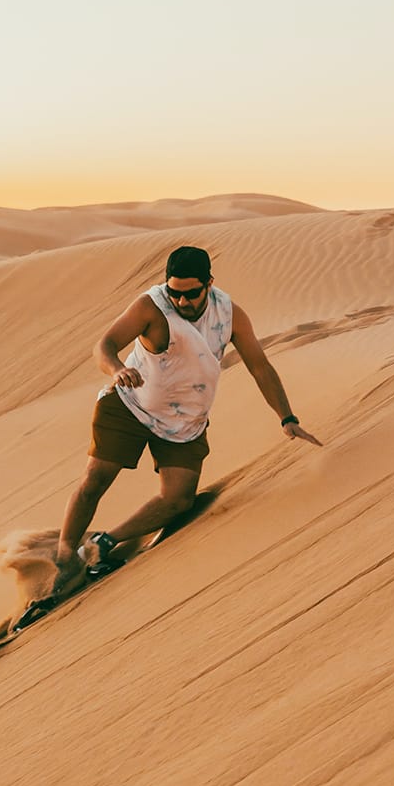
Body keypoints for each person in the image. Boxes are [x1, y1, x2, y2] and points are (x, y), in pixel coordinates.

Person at [51, 245, 322, 596]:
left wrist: (287, 417)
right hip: (131, 405)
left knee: (178, 500)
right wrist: (117, 369)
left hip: (185, 423)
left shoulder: (229, 314)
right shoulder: (151, 306)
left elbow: (260, 366)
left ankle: (104, 543)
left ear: (209, 283)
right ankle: (63, 559)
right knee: (95, 481)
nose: (182, 302)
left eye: (191, 294)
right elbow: (104, 345)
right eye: (175, 293)